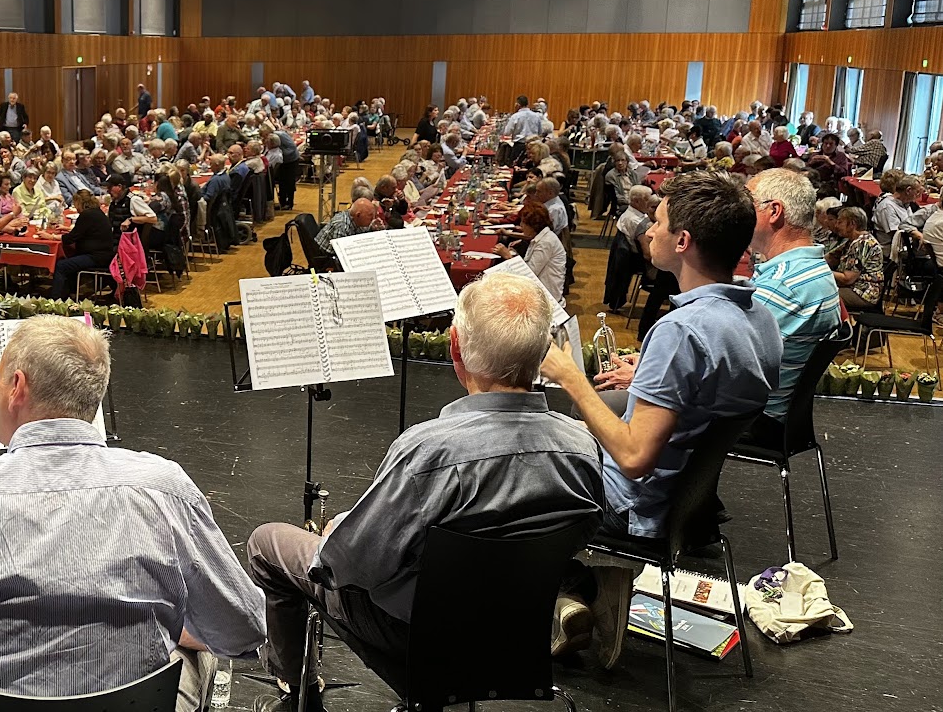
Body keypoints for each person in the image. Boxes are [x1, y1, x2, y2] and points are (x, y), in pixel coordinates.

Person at [0, 317, 266, 712]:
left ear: (17, 386)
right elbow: (244, 628)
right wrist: (176, 624)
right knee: (205, 655)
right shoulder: (166, 488)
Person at [247, 273, 605, 695]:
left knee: (266, 543)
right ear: (545, 352)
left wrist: (335, 535)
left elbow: (348, 568)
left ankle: (292, 686)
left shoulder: (428, 453)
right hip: (518, 629)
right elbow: (584, 531)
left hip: (419, 635)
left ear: (455, 346)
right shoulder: (583, 447)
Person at [539, 171, 780, 669]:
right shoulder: (760, 319)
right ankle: (572, 590)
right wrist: (648, 376)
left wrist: (571, 377)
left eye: (660, 223)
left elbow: (632, 458)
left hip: (637, 505)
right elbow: (709, 392)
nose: (649, 231)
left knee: (511, 462)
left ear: (684, 241)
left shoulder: (681, 331)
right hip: (690, 502)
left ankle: (565, 590)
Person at [742, 169, 843, 451]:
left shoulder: (783, 286)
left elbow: (725, 370)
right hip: (780, 416)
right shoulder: (809, 270)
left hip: (756, 421)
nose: (738, 213)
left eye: (746, 204)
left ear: (774, 211)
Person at [494, 203, 566, 307]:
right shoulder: (542, 237)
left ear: (533, 225)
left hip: (546, 299)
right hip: (538, 291)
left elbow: (529, 275)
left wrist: (508, 256)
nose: (521, 226)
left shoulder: (546, 242)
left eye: (523, 223)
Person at [50, 189, 115, 298]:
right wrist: (66, 228)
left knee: (61, 266)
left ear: (79, 202)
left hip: (96, 257)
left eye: (75, 204)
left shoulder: (86, 215)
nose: (75, 207)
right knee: (68, 259)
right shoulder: (96, 212)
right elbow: (82, 231)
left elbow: (70, 239)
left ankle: (55, 300)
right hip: (105, 254)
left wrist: (51, 237)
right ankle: (68, 293)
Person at [827, 206, 884, 311]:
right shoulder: (852, 241)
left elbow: (847, 278)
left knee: (821, 294)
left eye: (840, 222)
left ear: (852, 224)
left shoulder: (862, 243)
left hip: (862, 293)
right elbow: (830, 257)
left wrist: (823, 271)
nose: (836, 225)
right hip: (855, 288)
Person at [315, 197, 380, 255]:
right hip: (327, 258)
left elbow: (361, 233)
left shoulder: (356, 220)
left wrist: (373, 228)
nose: (373, 218)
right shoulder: (341, 226)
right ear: (358, 215)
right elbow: (342, 254)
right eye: (370, 216)